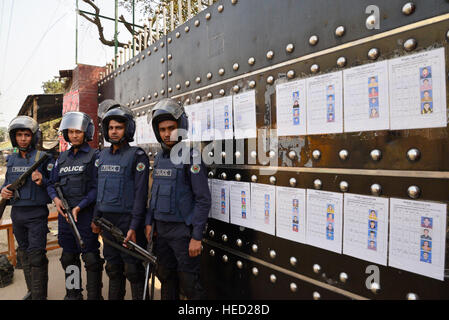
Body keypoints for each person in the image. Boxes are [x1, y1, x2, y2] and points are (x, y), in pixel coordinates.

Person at [145, 98, 211, 300]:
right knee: (166, 279)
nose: (167, 134)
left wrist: (197, 236)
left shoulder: (192, 157)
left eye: (171, 128)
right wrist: (149, 222)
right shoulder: (159, 158)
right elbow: (153, 194)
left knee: (189, 285)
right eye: (162, 129)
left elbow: (203, 199)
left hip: (183, 234)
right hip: (161, 233)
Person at [91, 102, 149, 300]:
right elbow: (99, 191)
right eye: (111, 127)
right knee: (113, 269)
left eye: (119, 127)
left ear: (128, 129)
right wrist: (95, 218)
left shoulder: (137, 156)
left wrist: (134, 225)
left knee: (133, 271)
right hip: (107, 223)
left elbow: (141, 195)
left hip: (128, 223)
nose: (114, 131)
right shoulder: (102, 156)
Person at [46, 112, 104, 300]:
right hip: (65, 220)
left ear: (86, 132)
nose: (74, 135)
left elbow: (97, 188)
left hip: (85, 217)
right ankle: (73, 294)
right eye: (70, 132)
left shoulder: (95, 156)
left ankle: (94, 296)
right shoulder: (61, 159)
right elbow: (51, 183)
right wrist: (55, 199)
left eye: (78, 131)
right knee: (69, 258)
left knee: (91, 259)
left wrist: (81, 206)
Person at [0, 116, 54, 300]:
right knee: (24, 254)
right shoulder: (12, 159)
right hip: (17, 214)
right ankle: (32, 292)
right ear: (14, 137)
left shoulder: (43, 158)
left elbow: (54, 186)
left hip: (36, 214)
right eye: (19, 135)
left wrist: (42, 180)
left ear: (34, 137)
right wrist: (4, 190)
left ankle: (40, 296)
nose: (23, 138)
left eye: (27, 135)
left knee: (37, 256)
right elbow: (7, 183)